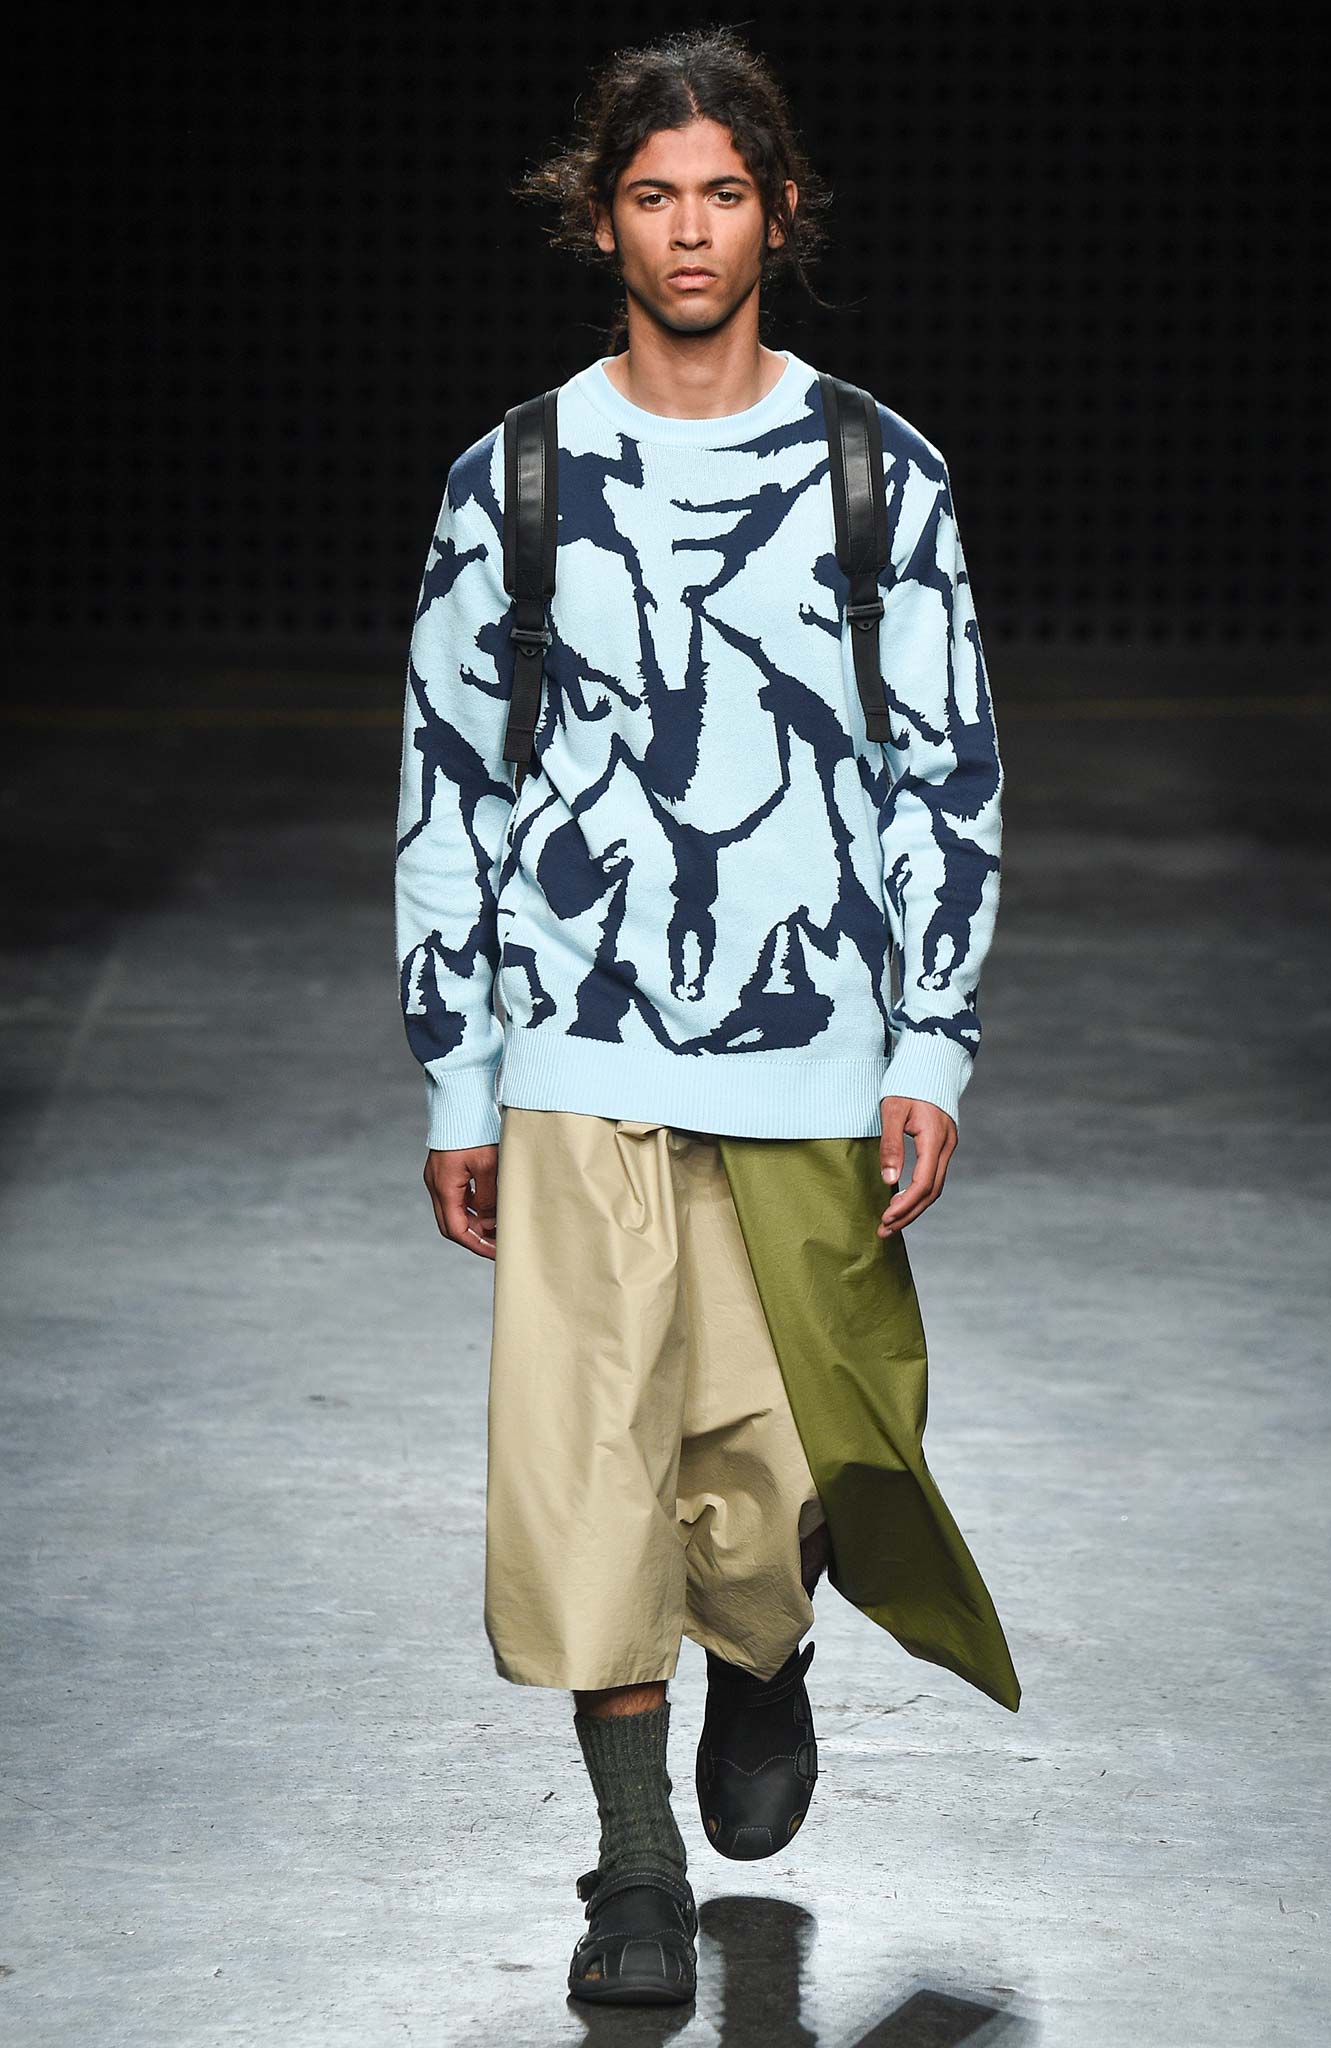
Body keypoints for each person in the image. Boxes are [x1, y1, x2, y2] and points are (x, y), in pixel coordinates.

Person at [394, 24, 1020, 2011]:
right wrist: (458, 1074)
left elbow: (943, 773)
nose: (687, 230)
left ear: (778, 211)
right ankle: (633, 1865)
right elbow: (450, 785)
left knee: (776, 1467)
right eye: (652, 195)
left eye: (721, 194)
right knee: (583, 1463)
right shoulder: (513, 477)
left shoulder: (871, 470)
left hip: (807, 1048)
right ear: (598, 221)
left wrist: (929, 1043)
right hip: (575, 1048)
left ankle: (764, 1650)